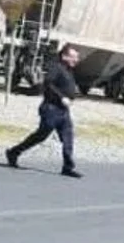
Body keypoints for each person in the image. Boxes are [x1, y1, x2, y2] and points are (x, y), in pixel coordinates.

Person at [5, 45, 83, 178]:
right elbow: (48, 84)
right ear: (64, 56)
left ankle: (68, 167)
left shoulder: (68, 71)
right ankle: (14, 152)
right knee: (41, 135)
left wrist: (72, 96)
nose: (76, 59)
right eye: (73, 57)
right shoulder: (56, 67)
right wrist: (62, 97)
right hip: (51, 109)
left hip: (63, 111)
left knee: (68, 137)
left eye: (77, 57)